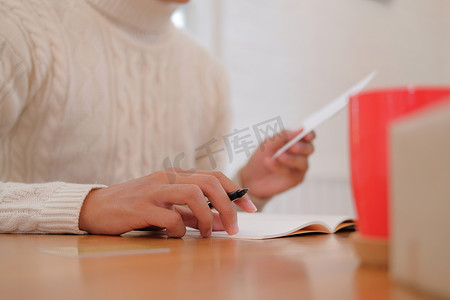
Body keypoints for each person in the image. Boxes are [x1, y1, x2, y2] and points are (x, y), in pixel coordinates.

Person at [0, 0, 315, 237]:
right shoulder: (16, 28)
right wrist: (87, 206)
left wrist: (248, 188)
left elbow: (195, 216)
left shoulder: (207, 72)